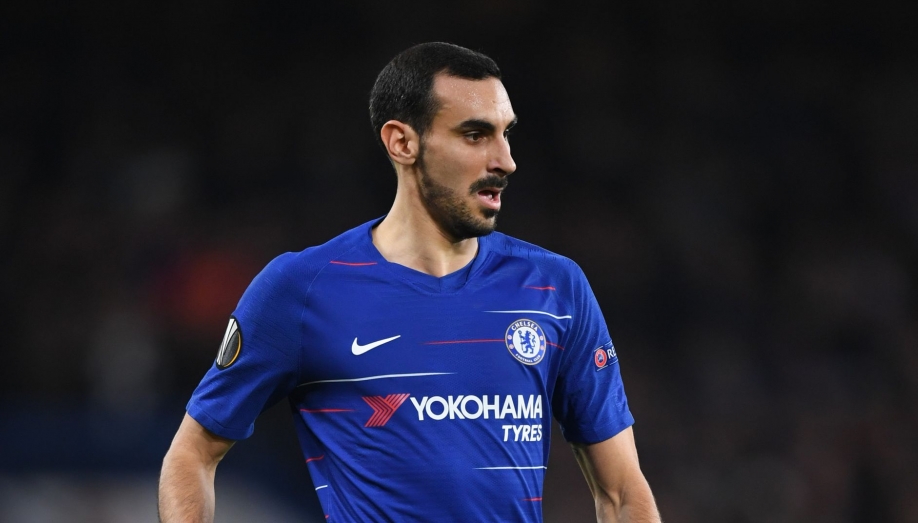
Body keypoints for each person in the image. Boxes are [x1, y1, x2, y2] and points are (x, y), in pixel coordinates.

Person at [158, 42, 661, 522]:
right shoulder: (303, 289)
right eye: (475, 135)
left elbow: (621, 492)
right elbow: (192, 454)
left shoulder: (555, 287)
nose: (505, 160)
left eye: (505, 134)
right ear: (402, 142)